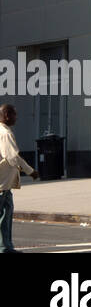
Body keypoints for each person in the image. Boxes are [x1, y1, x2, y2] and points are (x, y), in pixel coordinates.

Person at [0, 103, 37, 253]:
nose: (16, 117)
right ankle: (5, 248)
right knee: (4, 217)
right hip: (2, 183)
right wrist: (30, 171)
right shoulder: (5, 133)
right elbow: (13, 157)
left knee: (5, 215)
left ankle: (6, 247)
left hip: (5, 184)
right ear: (7, 115)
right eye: (14, 114)